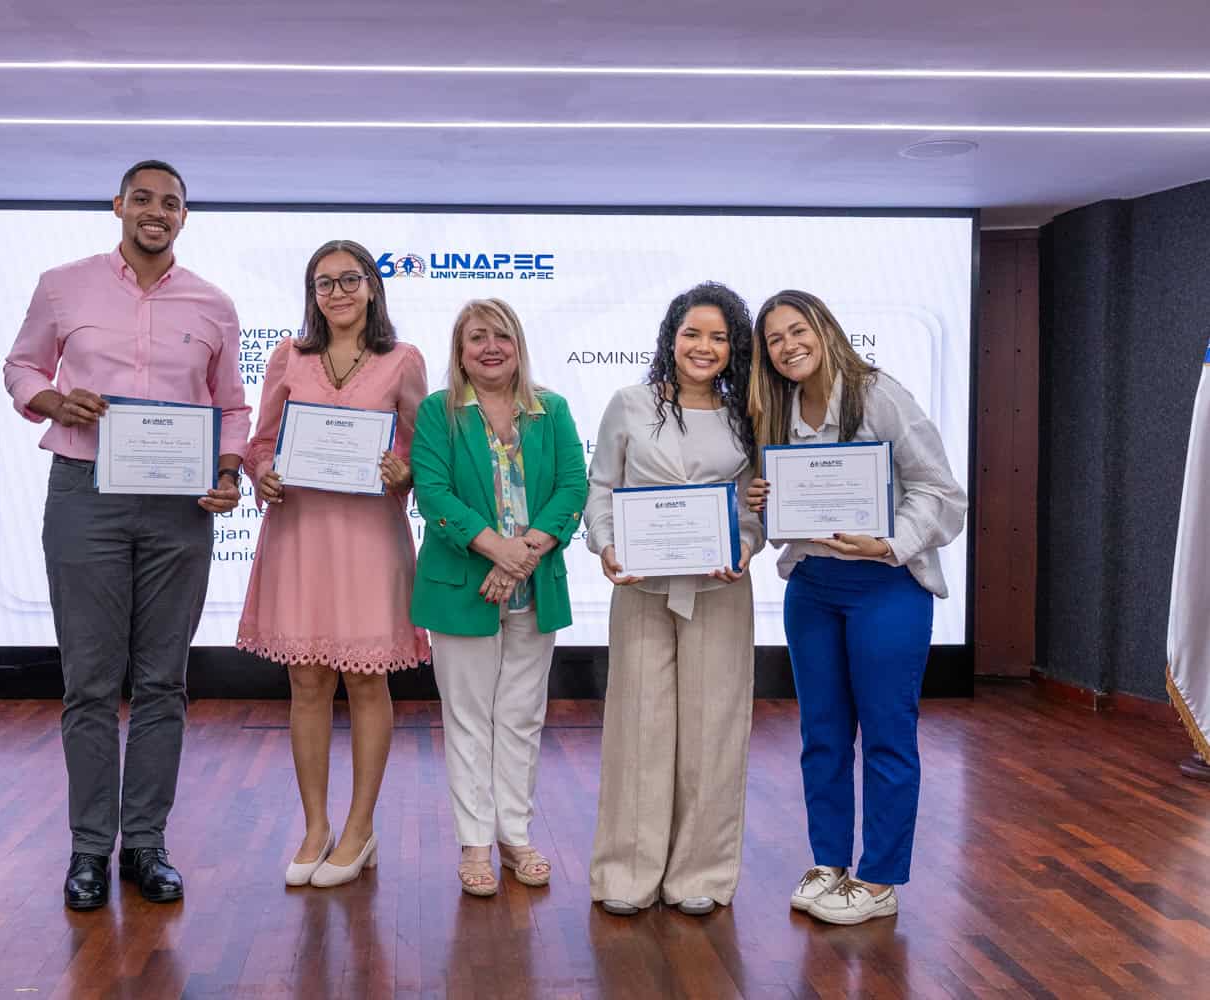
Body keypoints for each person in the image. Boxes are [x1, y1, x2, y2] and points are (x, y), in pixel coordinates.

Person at [2, 160, 250, 910]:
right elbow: (19, 366)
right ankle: (87, 851)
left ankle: (146, 843)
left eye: (170, 203)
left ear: (183, 217)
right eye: (143, 198)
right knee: (88, 681)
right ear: (118, 206)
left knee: (162, 682)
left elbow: (232, 407)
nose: (156, 211)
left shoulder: (213, 304)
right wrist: (52, 400)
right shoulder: (61, 284)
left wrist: (231, 472)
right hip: (85, 495)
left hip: (178, 506)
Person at [746, 289, 966, 926]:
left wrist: (890, 542)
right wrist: (764, 496)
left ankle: (879, 878)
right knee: (822, 736)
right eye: (775, 340)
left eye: (797, 330)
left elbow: (941, 491)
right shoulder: (777, 406)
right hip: (813, 586)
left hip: (885, 585)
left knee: (888, 737)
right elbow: (783, 501)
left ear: (824, 327)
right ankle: (830, 863)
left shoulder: (878, 394)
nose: (789, 346)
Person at [237, 239, 429, 888]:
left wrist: (404, 474)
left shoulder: (403, 360)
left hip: (370, 538)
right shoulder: (287, 357)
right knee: (308, 682)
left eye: (351, 280)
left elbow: (419, 457)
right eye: (324, 283)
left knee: (368, 682)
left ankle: (360, 827)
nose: (338, 292)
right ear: (311, 294)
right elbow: (262, 443)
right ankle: (316, 825)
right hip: (301, 533)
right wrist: (262, 475)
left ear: (373, 288)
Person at [584, 280, 765, 917]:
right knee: (639, 723)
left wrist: (744, 547)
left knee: (715, 728)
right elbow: (601, 489)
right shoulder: (630, 404)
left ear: (734, 347)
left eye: (719, 337)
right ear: (671, 337)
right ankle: (627, 872)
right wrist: (607, 548)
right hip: (640, 589)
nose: (704, 347)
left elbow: (752, 507)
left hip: (720, 589)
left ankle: (702, 874)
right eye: (692, 333)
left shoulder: (749, 413)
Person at [409, 298, 587, 897]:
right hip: (462, 587)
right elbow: (433, 494)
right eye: (477, 337)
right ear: (460, 349)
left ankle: (516, 836)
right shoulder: (438, 413)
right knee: (467, 722)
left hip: (532, 586)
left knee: (520, 717)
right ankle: (474, 845)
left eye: (502, 336)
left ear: (519, 344)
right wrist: (497, 550)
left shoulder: (552, 409)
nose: (491, 347)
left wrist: (521, 556)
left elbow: (572, 488)